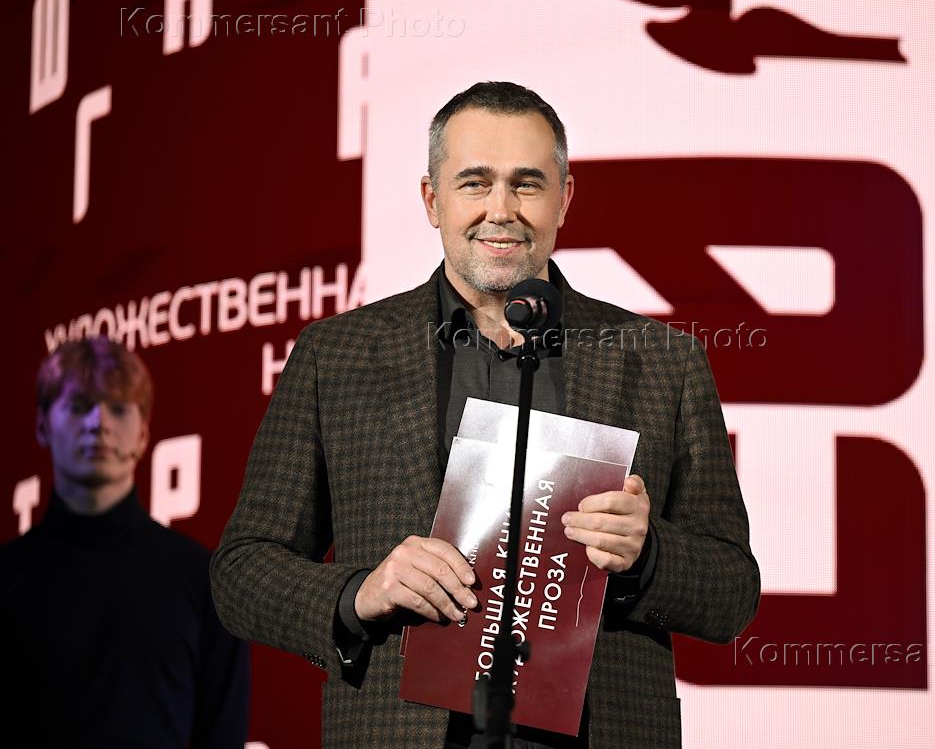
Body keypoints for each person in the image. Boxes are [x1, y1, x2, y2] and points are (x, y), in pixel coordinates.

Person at [211, 81, 759, 748]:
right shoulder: (338, 355)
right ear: (431, 199)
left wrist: (647, 555)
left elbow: (733, 592)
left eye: (527, 184)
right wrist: (361, 591)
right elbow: (241, 572)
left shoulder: (662, 361)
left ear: (565, 198)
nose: (501, 210)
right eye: (475, 183)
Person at [0, 336, 249, 748]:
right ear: (42, 426)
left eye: (118, 408)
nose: (98, 423)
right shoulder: (7, 580)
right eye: (78, 406)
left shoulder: (205, 583)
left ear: (143, 433)